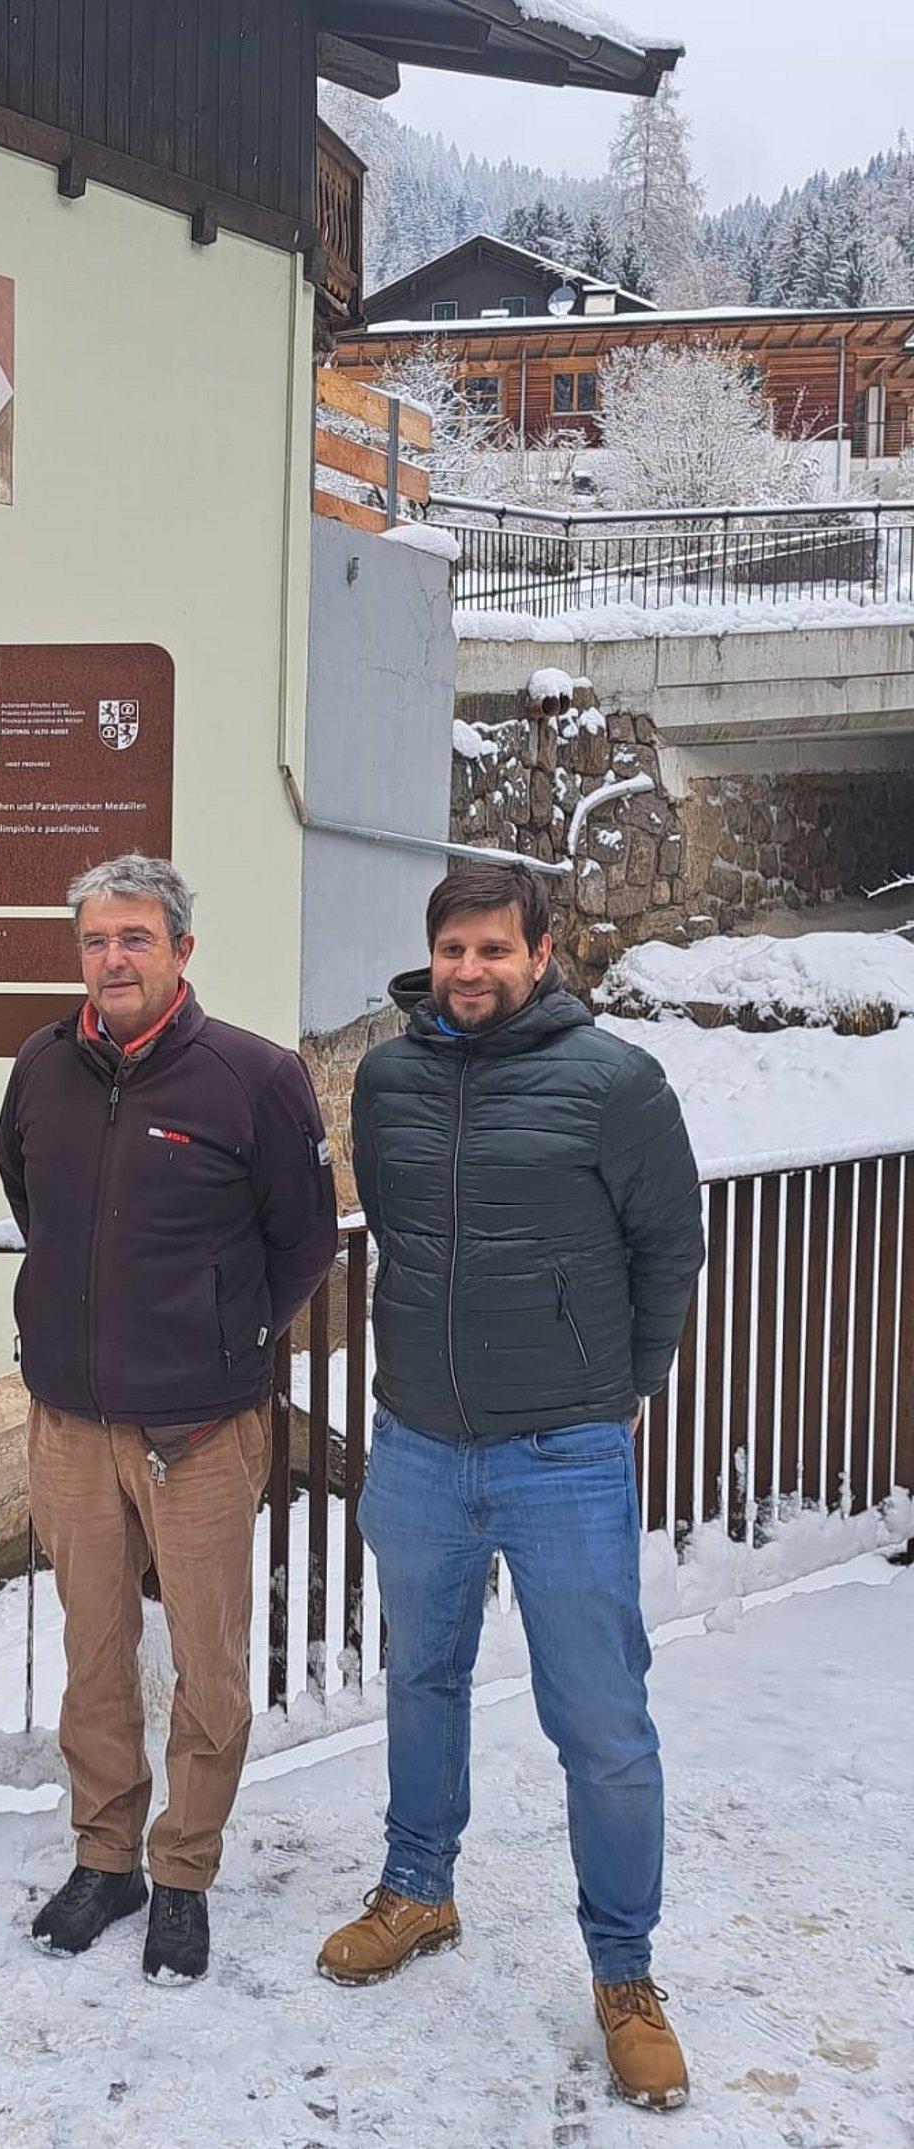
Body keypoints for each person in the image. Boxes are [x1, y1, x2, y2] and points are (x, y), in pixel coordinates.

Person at [318, 858, 705, 2111]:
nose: (470, 969)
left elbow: (670, 1246)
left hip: (563, 1457)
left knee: (600, 1720)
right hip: (420, 1444)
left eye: (494, 948)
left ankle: (626, 1973)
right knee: (421, 1678)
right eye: (453, 949)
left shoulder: (615, 1082)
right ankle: (418, 1888)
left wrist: (619, 1389)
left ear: (543, 953)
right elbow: (400, 1228)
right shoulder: (388, 1080)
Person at [0, 854, 339, 1982]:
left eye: (136, 937)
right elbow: (30, 1196)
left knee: (209, 1662)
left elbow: (303, 1240)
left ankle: (184, 1866)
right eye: (96, 940)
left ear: (182, 949)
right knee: (93, 1656)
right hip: (72, 1429)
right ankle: (107, 1859)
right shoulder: (42, 1067)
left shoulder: (254, 1075)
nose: (114, 959)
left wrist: (229, 1339)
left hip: (198, 1435)